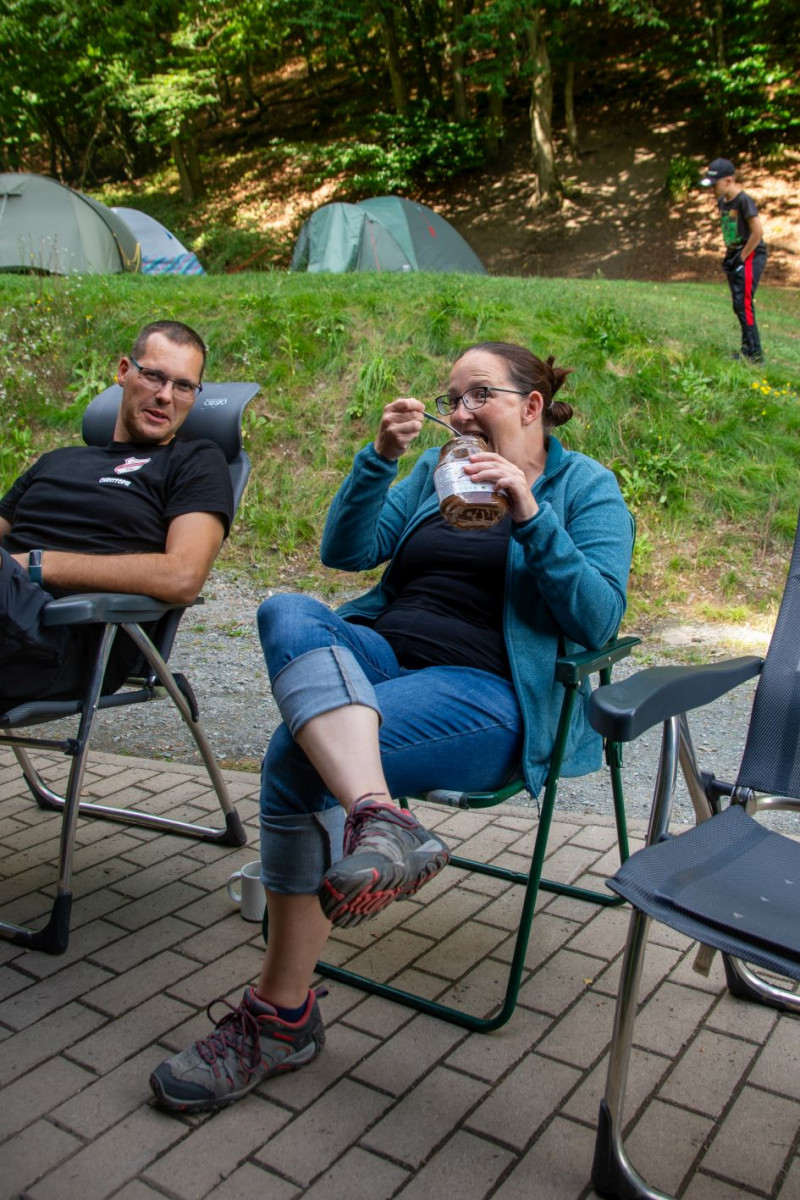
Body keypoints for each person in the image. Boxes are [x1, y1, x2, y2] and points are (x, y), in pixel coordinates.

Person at [150, 340, 634, 1113]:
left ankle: (280, 1018)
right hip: (379, 661)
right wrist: (379, 459)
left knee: (296, 757)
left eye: (478, 395)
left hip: (486, 694)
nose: (460, 413)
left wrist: (529, 511)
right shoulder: (433, 473)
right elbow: (346, 552)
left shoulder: (585, 488)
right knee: (286, 609)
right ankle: (382, 819)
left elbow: (598, 618)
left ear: (531, 406)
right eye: (452, 399)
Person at [0, 319, 234, 706]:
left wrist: (37, 565)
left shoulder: (194, 462)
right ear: (124, 372)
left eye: (183, 386)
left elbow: (183, 576)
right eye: (154, 376)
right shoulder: (57, 461)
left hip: (61, 638)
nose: (165, 396)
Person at [700, 157, 767, 363]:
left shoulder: (743, 201)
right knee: (738, 304)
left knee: (743, 302)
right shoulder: (723, 202)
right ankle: (747, 349)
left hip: (750, 254)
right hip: (735, 254)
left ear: (729, 181)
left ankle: (755, 353)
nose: (712, 189)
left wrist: (742, 257)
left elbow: (757, 232)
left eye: (715, 185)